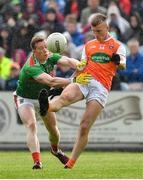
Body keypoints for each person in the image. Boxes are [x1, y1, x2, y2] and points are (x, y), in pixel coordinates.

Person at [38, 13, 126, 169]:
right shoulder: (89, 45)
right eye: (93, 31)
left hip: (101, 87)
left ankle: (71, 162)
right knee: (65, 97)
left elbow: (123, 64)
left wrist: (118, 61)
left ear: (107, 27)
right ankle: (46, 106)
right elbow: (81, 66)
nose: (96, 34)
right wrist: (64, 85)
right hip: (85, 79)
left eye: (99, 31)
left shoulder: (118, 46)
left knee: (84, 126)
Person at [13, 35, 90, 170]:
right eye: (41, 49)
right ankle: (37, 162)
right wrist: (74, 81)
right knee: (31, 125)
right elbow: (51, 81)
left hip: (42, 98)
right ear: (34, 52)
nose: (45, 50)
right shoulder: (31, 67)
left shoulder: (50, 56)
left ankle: (55, 150)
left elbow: (67, 60)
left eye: (45, 47)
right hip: (25, 98)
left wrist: (79, 64)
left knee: (53, 131)